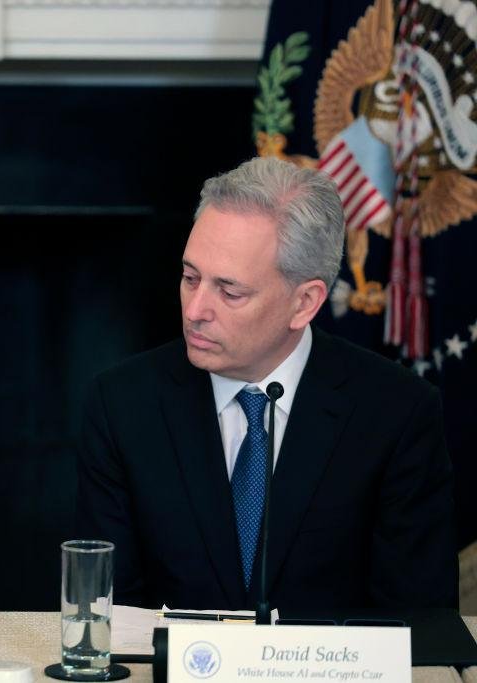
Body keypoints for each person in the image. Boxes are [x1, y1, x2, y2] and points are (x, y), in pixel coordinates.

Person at [77, 157, 457, 610]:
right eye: (190, 278)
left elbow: (418, 622)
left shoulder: (397, 414)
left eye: (229, 292)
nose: (195, 310)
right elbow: (105, 611)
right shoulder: (122, 405)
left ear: (305, 303)